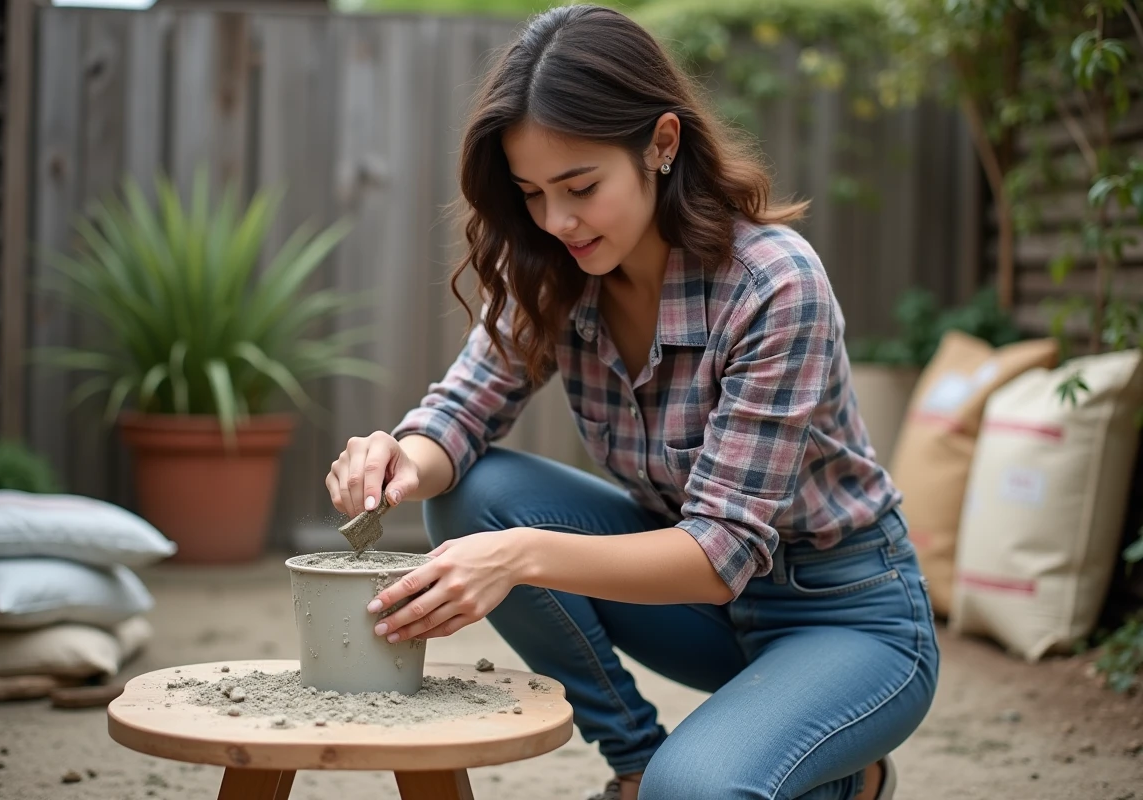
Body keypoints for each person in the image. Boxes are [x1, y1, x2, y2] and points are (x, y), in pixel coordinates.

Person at [325, 5, 938, 799]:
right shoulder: (550, 268)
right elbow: (462, 415)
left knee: (697, 790)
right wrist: (396, 461)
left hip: (847, 616)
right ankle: (636, 763)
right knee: (476, 494)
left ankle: (842, 775)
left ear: (662, 144)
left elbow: (719, 553)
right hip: (702, 616)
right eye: (533, 193)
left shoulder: (775, 285)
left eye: (581, 186)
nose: (557, 220)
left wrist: (518, 558)